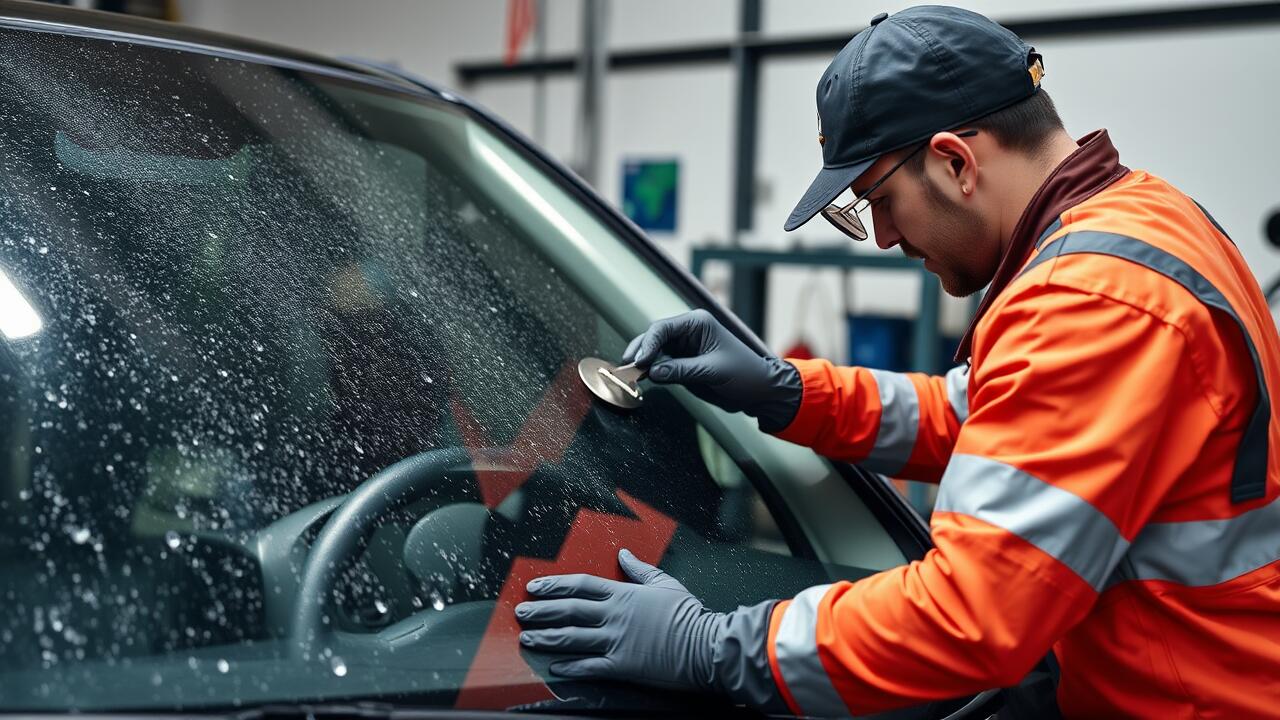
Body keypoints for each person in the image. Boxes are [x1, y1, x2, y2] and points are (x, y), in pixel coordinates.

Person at [513, 6, 1280, 717]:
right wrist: (785, 391)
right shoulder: (1142, 219)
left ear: (953, 162)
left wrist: (712, 646)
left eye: (876, 199)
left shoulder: (1090, 299)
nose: (882, 237)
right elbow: (984, 418)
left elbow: (972, 615)